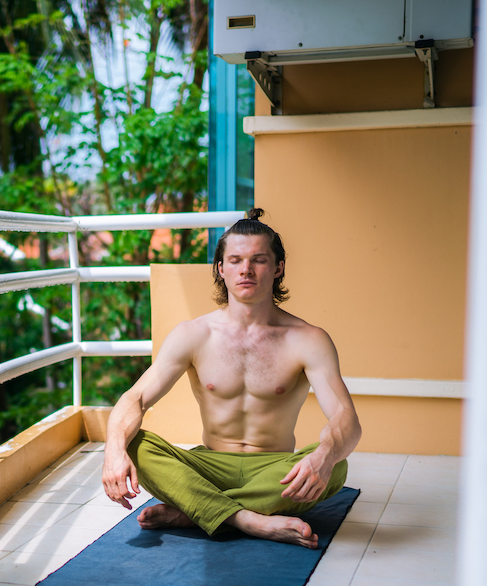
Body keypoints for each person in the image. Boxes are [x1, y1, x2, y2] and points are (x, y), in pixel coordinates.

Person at [101, 209, 362, 548]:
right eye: (235, 260)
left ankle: (195, 510)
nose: (246, 270)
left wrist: (324, 454)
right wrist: (113, 452)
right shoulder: (193, 334)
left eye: (259, 260)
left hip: (275, 468)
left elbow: (346, 419)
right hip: (209, 464)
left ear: (278, 267)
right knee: (132, 442)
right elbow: (135, 398)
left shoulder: (308, 339)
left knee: (336, 465)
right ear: (221, 269)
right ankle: (248, 519)